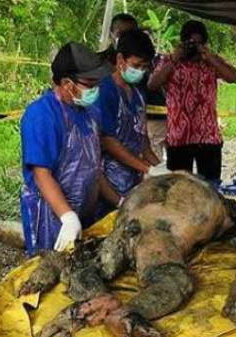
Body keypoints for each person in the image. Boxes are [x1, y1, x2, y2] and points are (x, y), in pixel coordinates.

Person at [20, 42, 121, 255]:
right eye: (90, 84)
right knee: (50, 272)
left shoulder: (89, 112)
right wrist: (67, 216)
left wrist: (120, 201)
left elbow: (93, 169)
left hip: (85, 210)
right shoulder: (41, 115)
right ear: (67, 84)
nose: (96, 89)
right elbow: (41, 175)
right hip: (51, 216)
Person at [148, 20, 236, 181]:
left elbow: (235, 78)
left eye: (198, 43)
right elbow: (152, 84)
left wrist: (211, 58)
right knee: (179, 187)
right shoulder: (169, 61)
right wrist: (174, 60)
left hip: (208, 135)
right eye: (190, 43)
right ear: (183, 43)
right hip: (179, 136)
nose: (194, 47)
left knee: (211, 186)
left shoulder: (211, 61)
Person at [98, 30, 166, 204]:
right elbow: (109, 142)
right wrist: (147, 168)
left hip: (133, 181)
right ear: (120, 59)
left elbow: (141, 138)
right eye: (136, 65)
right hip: (108, 182)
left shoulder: (138, 93)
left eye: (145, 67)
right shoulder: (105, 91)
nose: (141, 71)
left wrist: (161, 167)